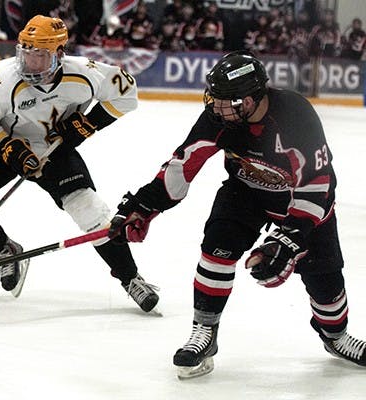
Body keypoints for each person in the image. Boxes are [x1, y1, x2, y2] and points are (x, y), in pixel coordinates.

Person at [108, 51, 366, 378]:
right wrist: (143, 206)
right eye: (214, 99)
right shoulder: (218, 118)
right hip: (245, 193)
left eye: (227, 101)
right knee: (216, 247)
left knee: (324, 279)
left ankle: (336, 336)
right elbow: (182, 166)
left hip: (301, 204)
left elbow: (318, 184)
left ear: (253, 98)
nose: (217, 108)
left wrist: (288, 240)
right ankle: (205, 331)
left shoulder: (295, 115)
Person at [0, 15, 159, 312]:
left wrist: (87, 125)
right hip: (2, 146)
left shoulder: (85, 73)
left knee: (89, 209)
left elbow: (126, 94)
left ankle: (131, 278)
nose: (30, 62)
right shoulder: (2, 79)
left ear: (59, 54)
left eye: (39, 55)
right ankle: (7, 250)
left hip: (54, 149)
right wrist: (8, 148)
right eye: (25, 53)